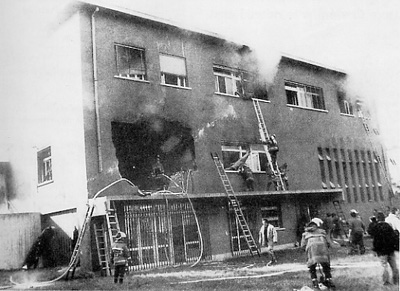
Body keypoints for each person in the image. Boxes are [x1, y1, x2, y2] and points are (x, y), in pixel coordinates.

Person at [301, 218, 335, 289]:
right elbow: (328, 242)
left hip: (312, 251)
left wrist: (306, 251)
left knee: (312, 267)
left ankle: (315, 282)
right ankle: (329, 280)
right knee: (326, 266)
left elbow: (303, 245)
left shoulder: (305, 234)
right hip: (323, 250)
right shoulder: (322, 232)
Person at [370, 212, 399, 286]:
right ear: (384, 218)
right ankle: (396, 281)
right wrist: (396, 247)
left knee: (384, 266)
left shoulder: (376, 227)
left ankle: (386, 282)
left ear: (377, 218)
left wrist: (375, 249)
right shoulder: (389, 226)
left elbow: (375, 239)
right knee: (394, 266)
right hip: (390, 249)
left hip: (381, 250)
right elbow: (394, 238)